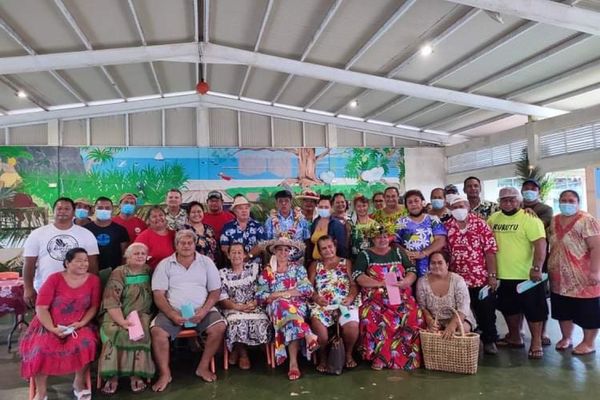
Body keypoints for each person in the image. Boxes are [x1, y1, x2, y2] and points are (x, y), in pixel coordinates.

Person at [20, 248, 101, 400]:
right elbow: (41, 307)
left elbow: (94, 306)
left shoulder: (93, 280)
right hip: (49, 323)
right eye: (78, 260)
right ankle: (41, 391)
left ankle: (78, 383)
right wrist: (52, 328)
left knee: (87, 343)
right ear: (67, 263)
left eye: (85, 260)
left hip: (79, 324)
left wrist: (82, 322)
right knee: (40, 348)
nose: (84, 264)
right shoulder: (54, 279)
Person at [151, 230, 225, 390]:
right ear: (176, 245)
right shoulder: (165, 264)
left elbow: (215, 292)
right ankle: (165, 373)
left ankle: (203, 367)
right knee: (157, 332)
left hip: (202, 310)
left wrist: (204, 311)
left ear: (195, 244)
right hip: (172, 310)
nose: (186, 246)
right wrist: (172, 314)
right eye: (182, 243)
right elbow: (158, 294)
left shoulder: (206, 262)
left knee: (219, 327)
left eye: (189, 243)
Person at [488, 187, 547, 359]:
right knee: (509, 309)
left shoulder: (529, 219)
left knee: (534, 310)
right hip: (503, 275)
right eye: (504, 200)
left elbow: (540, 245)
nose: (508, 203)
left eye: (512, 199)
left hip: (526, 277)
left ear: (520, 201)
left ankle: (536, 342)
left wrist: (536, 268)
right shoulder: (493, 219)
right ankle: (514, 337)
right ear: (499, 202)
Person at [353, 226, 423, 370]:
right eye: (378, 237)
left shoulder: (397, 252)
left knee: (413, 314)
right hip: (375, 297)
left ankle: (410, 358)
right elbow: (358, 276)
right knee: (372, 315)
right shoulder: (365, 254)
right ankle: (380, 358)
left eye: (385, 236)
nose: (382, 239)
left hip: (400, 295)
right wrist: (379, 283)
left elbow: (411, 270)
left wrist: (406, 282)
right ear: (372, 239)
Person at [256, 237, 318, 380]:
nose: (283, 252)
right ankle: (307, 335)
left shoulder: (297, 268)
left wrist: (280, 294)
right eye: (279, 249)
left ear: (290, 252)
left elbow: (307, 289)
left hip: (297, 306)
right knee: (281, 305)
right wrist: (281, 296)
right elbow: (260, 295)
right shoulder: (267, 271)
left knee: (288, 316)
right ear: (274, 251)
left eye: (286, 249)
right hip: (275, 307)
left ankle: (293, 364)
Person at [444, 194, 499, 354]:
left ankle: (489, 340)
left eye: (461, 206)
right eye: (455, 207)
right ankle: (461, 341)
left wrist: (492, 275)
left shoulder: (480, 224)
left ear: (468, 206)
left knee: (486, 310)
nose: (458, 210)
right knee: (461, 312)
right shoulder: (447, 227)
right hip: (457, 279)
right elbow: (445, 252)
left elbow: (490, 251)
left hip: (480, 278)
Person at [548, 190, 600, 355]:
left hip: (583, 277)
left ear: (578, 202)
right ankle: (566, 337)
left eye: (571, 200)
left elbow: (596, 247)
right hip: (559, 277)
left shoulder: (587, 220)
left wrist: (595, 271)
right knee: (563, 309)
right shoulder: (554, 220)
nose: (567, 203)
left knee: (588, 311)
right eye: (563, 200)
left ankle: (588, 342)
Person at [98, 243, 155, 394]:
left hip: (142, 314)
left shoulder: (149, 271)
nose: (140, 256)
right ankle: (113, 376)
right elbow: (111, 299)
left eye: (143, 253)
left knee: (139, 333)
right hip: (117, 313)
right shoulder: (119, 272)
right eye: (136, 253)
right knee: (116, 333)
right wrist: (121, 321)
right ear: (127, 256)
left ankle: (136, 375)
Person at [23, 197, 99, 308]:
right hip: (45, 289)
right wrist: (28, 288)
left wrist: (91, 288)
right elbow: (29, 263)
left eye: (67, 209)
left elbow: (93, 264)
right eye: (59, 208)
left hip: (78, 290)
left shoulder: (86, 234)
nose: (62, 211)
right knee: (46, 322)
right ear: (53, 211)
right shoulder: (37, 234)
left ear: (73, 212)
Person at [308, 236, 359, 372]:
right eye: (324, 248)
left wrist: (350, 296)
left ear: (335, 246)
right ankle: (323, 357)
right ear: (319, 251)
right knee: (322, 335)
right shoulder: (315, 265)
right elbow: (309, 288)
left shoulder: (346, 262)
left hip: (344, 304)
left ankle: (348, 354)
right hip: (322, 305)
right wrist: (316, 298)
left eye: (330, 246)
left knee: (352, 327)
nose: (328, 250)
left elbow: (354, 284)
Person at [219, 244, 272, 370]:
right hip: (233, 308)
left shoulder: (255, 269)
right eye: (233, 252)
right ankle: (243, 354)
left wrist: (255, 302)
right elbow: (222, 299)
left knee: (263, 321)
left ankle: (237, 351)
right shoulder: (222, 273)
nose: (236, 255)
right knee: (236, 322)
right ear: (228, 255)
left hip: (254, 305)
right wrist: (238, 307)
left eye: (239, 252)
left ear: (244, 255)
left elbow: (264, 288)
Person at [521, 178, 554, 347]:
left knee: (539, 297)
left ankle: (543, 332)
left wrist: (528, 216)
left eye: (532, 188)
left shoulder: (545, 209)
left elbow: (541, 225)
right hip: (519, 260)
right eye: (525, 188)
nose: (528, 191)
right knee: (519, 296)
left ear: (538, 192)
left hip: (539, 259)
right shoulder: (515, 206)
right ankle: (518, 331)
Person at [417, 251, 476, 338]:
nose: (436, 266)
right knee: (429, 332)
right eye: (433, 263)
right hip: (436, 319)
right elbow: (422, 307)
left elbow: (463, 307)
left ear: (447, 264)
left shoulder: (458, 280)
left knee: (462, 330)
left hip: (459, 318)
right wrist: (430, 321)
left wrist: (452, 325)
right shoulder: (422, 282)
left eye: (440, 263)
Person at [394, 190, 447, 277]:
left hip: (431, 265)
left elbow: (440, 240)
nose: (413, 204)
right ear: (406, 206)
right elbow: (395, 243)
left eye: (416, 201)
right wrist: (406, 253)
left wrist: (423, 254)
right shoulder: (400, 222)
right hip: (409, 266)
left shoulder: (433, 220)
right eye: (410, 202)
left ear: (422, 202)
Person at [84, 197, 129, 271]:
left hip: (114, 272)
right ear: (94, 209)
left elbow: (124, 255)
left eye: (107, 208)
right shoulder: (86, 230)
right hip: (89, 272)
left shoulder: (120, 230)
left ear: (112, 210)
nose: (103, 210)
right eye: (100, 208)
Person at [264, 190, 310, 260]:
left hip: (298, 259)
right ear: (276, 203)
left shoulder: (301, 219)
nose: (283, 203)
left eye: (286, 201)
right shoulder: (270, 221)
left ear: (291, 202)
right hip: (277, 259)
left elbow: (307, 241)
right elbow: (267, 242)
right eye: (280, 201)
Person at [220, 195, 267, 261]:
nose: (244, 210)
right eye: (240, 208)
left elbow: (262, 244)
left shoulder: (258, 226)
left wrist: (248, 256)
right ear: (235, 211)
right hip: (234, 264)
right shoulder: (227, 227)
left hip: (255, 264)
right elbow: (224, 247)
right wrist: (233, 258)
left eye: (246, 208)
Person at [306, 195, 348, 265]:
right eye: (321, 207)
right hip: (315, 263)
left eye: (326, 207)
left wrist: (339, 264)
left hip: (331, 263)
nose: (323, 209)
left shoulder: (336, 224)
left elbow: (342, 247)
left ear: (331, 208)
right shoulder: (315, 222)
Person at [350, 195, 378, 260]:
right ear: (355, 207)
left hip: (372, 259)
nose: (362, 209)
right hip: (355, 259)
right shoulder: (350, 224)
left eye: (364, 206)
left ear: (368, 206)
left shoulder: (375, 224)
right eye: (359, 206)